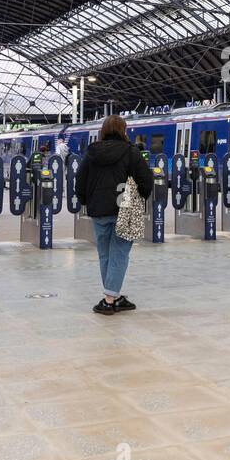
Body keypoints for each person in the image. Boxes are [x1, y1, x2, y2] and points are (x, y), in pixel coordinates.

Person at [74, 114, 153, 315]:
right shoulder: (131, 152)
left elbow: (80, 180)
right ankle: (110, 300)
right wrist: (141, 195)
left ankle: (115, 296)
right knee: (119, 253)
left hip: (98, 209)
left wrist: (86, 200)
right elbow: (146, 179)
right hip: (123, 206)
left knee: (105, 254)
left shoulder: (91, 153)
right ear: (123, 131)